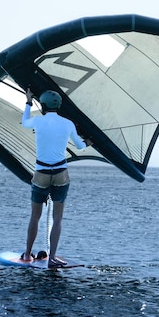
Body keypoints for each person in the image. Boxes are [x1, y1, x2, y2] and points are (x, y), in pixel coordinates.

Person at [21, 88, 91, 268]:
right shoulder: (68, 124)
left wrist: (28, 101)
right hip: (60, 173)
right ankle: (51, 257)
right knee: (58, 218)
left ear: (42, 105)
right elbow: (80, 146)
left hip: (41, 173)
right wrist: (87, 143)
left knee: (35, 216)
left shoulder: (38, 121)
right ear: (59, 105)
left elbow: (24, 122)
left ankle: (28, 254)